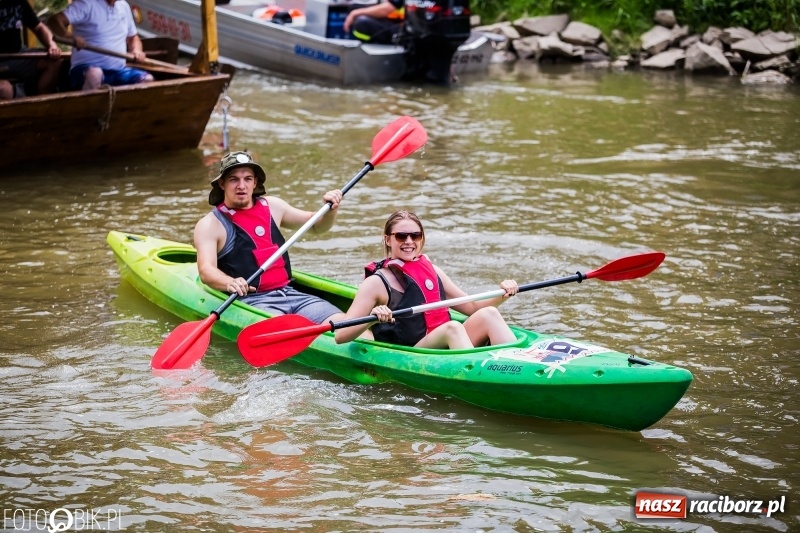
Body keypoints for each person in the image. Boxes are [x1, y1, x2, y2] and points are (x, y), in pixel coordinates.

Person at [194, 151, 346, 325]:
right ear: (222, 184)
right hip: (252, 302)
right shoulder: (210, 224)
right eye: (234, 179)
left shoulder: (273, 206)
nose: (241, 186)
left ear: (255, 182)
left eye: (247, 179)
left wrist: (331, 209)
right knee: (288, 330)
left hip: (291, 293)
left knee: (347, 325)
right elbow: (206, 270)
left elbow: (316, 226)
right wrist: (230, 282)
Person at [334, 210, 519, 349]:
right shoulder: (376, 283)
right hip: (412, 354)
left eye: (415, 235)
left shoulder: (433, 271)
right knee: (453, 328)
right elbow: (340, 336)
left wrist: (504, 293)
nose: (409, 241)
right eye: (401, 236)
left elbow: (472, 308)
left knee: (489, 314)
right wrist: (372, 319)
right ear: (388, 240)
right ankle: (481, 379)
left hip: (446, 345)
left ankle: (515, 365)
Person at [47, 0, 153, 91]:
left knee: (147, 80)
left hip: (118, 70)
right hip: (84, 70)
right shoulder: (86, 4)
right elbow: (54, 21)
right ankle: (89, 113)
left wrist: (137, 50)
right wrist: (70, 37)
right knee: (95, 74)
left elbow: (133, 37)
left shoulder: (124, 6)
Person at [0, 0, 63, 99]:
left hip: (17, 56)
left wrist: (52, 45)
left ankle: (42, 105)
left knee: (54, 61)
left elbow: (39, 27)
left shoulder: (18, 2)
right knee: (4, 89)